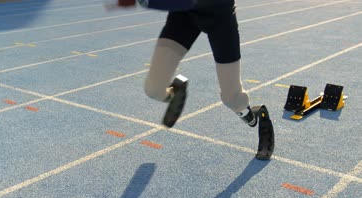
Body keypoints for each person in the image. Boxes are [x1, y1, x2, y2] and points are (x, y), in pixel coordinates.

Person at [106, 0, 274, 160]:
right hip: (183, 16)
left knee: (233, 99)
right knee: (154, 90)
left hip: (219, 17)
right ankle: (176, 93)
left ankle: (256, 116)